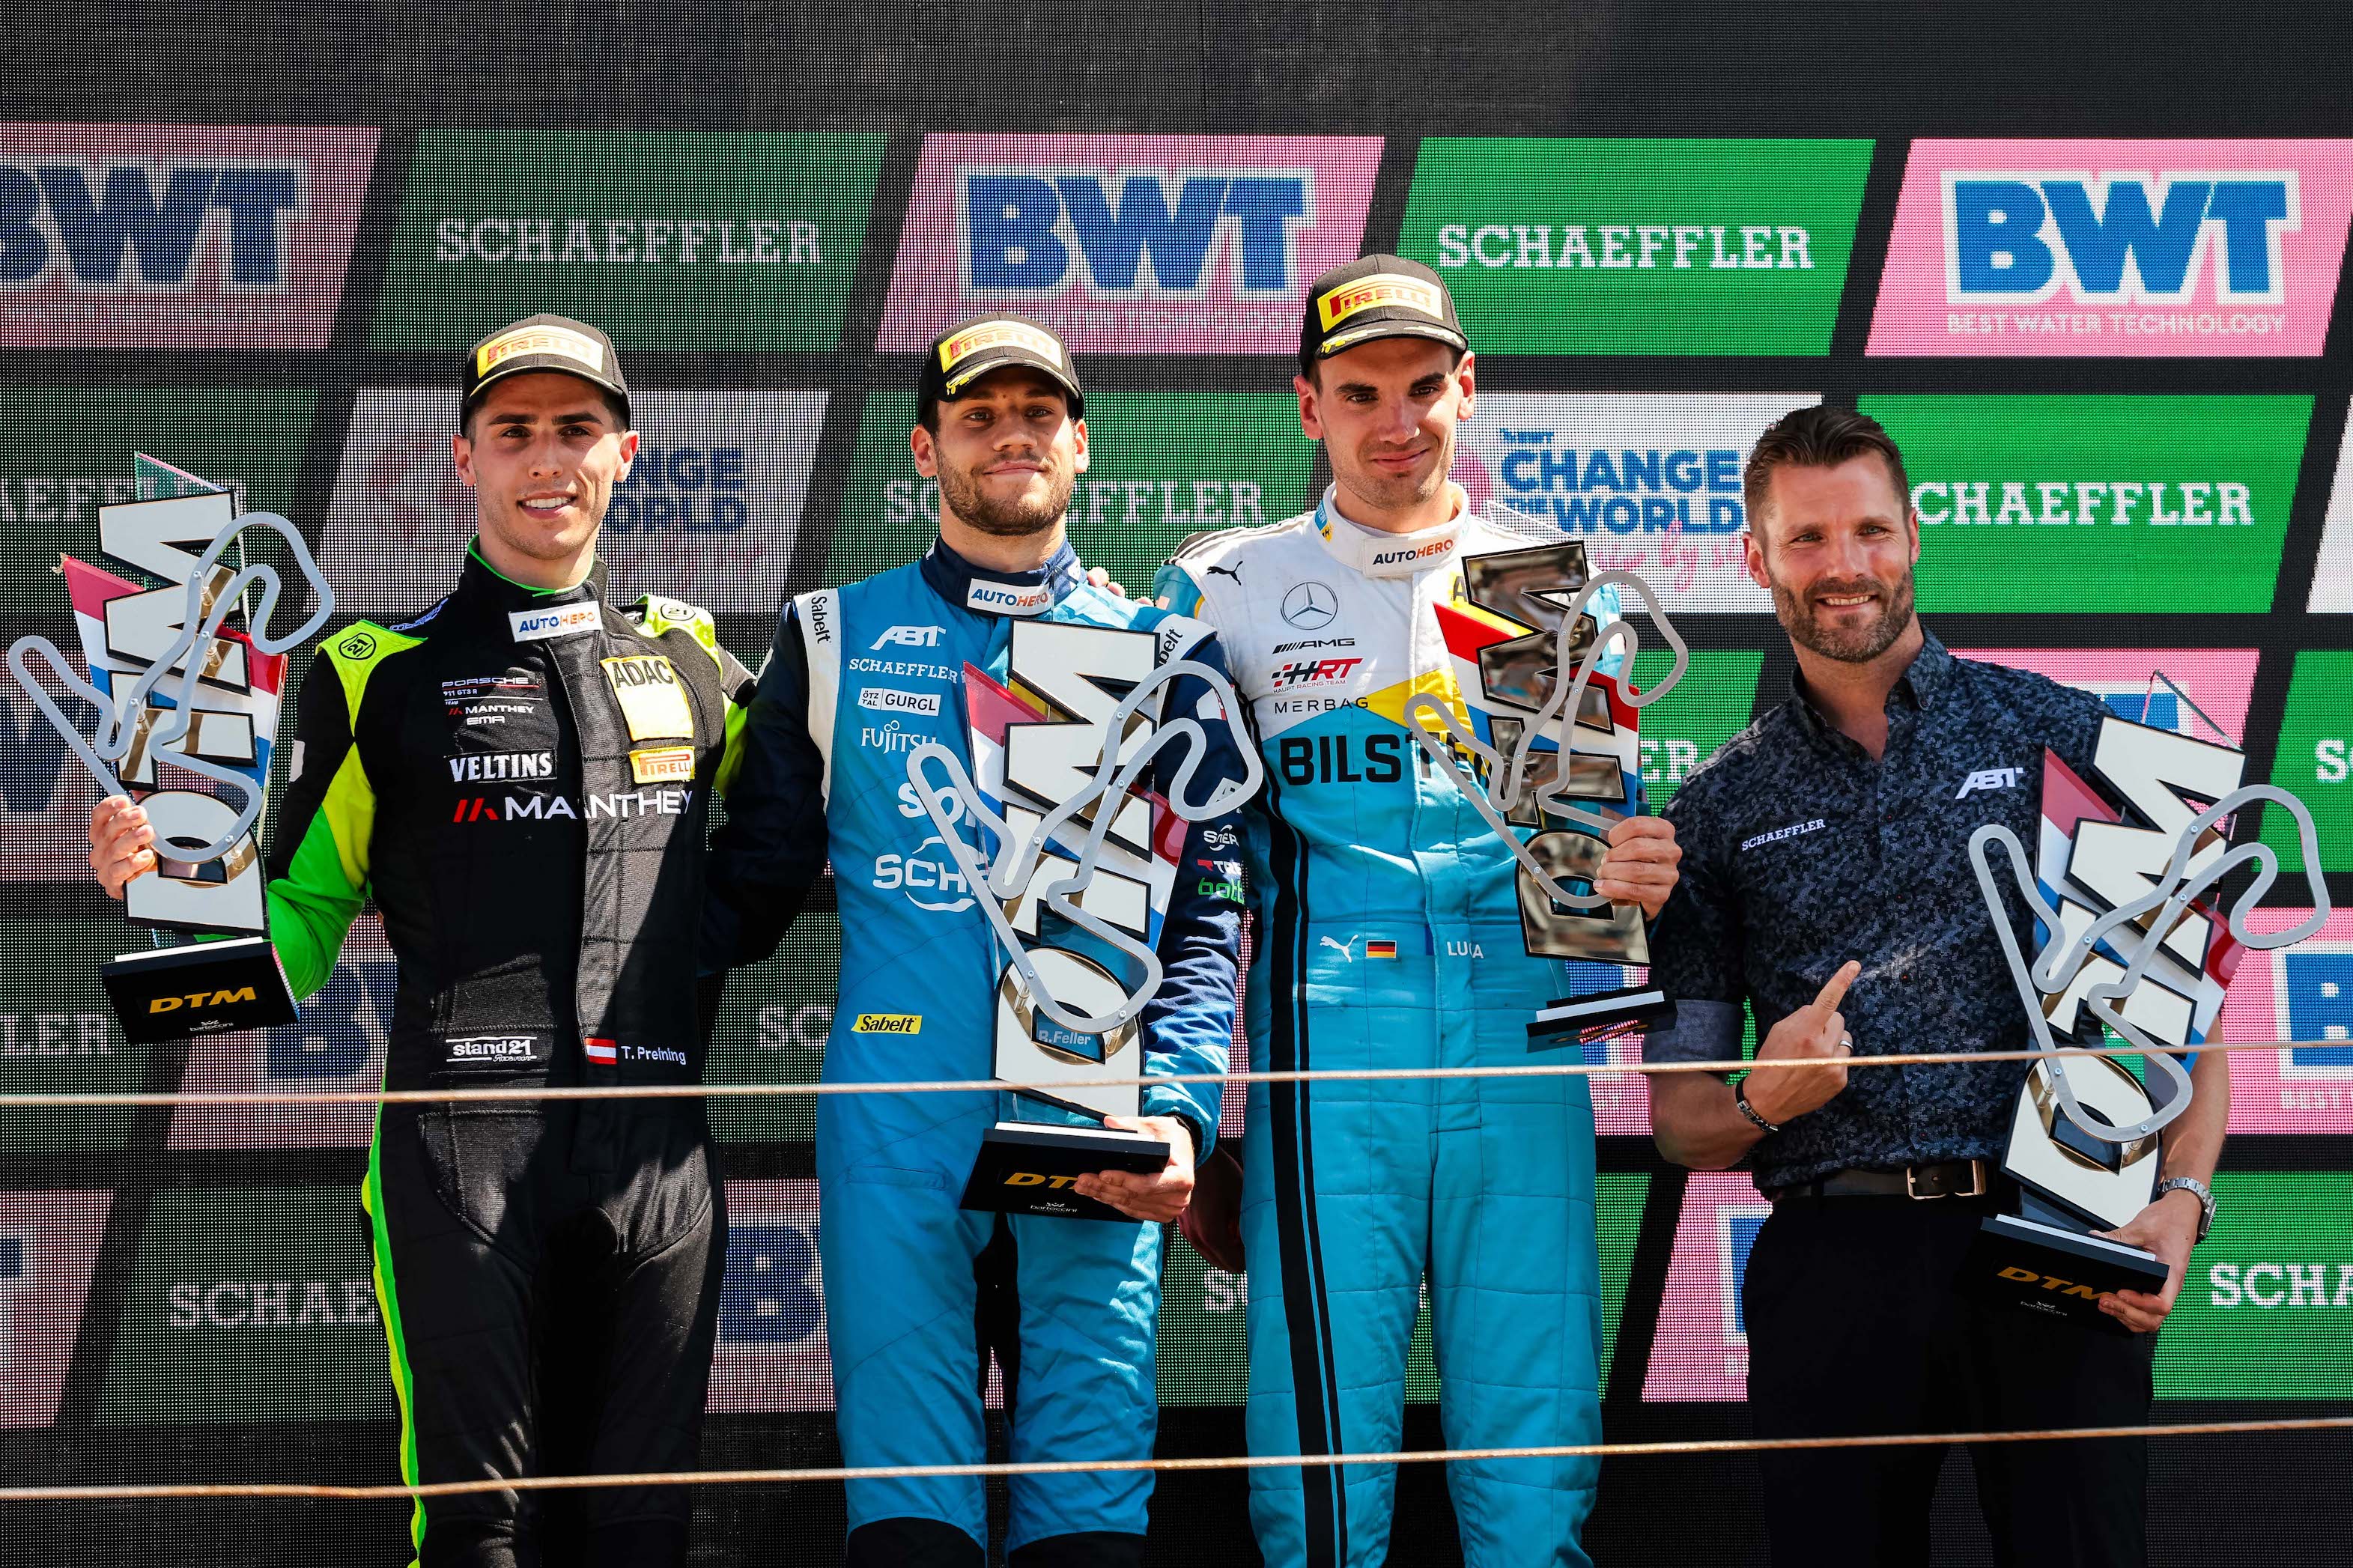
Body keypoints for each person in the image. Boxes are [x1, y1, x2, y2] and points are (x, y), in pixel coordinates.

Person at [89, 314, 755, 1568]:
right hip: (462, 1156)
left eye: (576, 428)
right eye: (514, 431)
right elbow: (295, 929)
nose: (546, 457)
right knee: (476, 1537)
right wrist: (165, 891)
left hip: (659, 1157)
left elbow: (811, 833)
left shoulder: (694, 655)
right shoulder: (374, 673)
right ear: (463, 457)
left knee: (643, 1535)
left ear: (625, 453)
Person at [1152, 255, 1682, 1568]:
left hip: (1521, 1040)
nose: (1397, 422)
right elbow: (1184, 873)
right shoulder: (1222, 587)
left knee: (1535, 1465)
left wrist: (1631, 888)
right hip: (1330, 1042)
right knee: (1319, 1471)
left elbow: (1584, 895)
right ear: (1307, 406)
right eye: (1360, 393)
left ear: (1466, 388)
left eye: (1422, 388)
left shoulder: (1547, 581)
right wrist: (1186, 1108)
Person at [703, 313, 1244, 1568]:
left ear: (1080, 442)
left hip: (1095, 1113)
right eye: (978, 415)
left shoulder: (1161, 652)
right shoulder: (829, 636)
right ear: (924, 446)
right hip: (899, 1113)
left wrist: (1178, 1113)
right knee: (909, 1516)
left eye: (1038, 413)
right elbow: (747, 887)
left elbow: (1208, 917)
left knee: (1090, 1518)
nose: (1012, 436)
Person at [1645, 404, 2226, 1568]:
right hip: (1834, 1250)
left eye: (1869, 530)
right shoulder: (1713, 810)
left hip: (2056, 1228)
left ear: (1912, 535)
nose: (1844, 565)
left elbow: (2185, 1026)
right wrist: (1763, 1098)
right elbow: (1680, 1121)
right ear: (1756, 559)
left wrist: (2181, 1200)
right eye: (1807, 538)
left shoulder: (2064, 733)